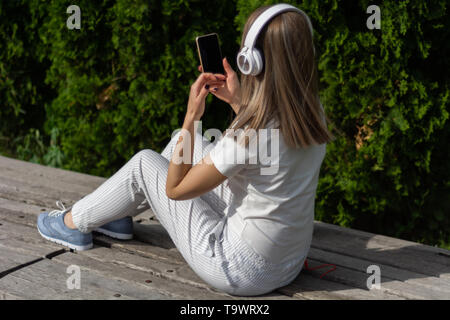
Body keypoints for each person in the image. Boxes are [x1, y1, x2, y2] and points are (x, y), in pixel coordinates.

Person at [37, 3, 333, 296]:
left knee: (146, 163)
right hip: (287, 263)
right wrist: (237, 101)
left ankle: (72, 223)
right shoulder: (310, 113)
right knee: (182, 144)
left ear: (250, 62)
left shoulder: (248, 134)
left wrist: (192, 116)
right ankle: (112, 212)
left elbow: (175, 189)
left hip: (239, 269)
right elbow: (269, 148)